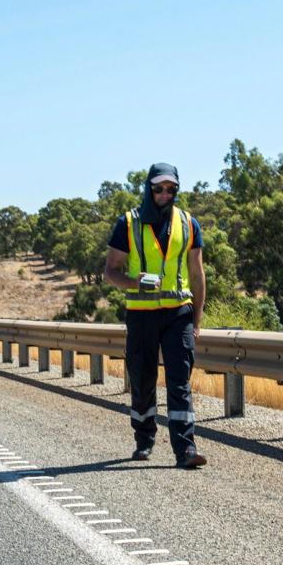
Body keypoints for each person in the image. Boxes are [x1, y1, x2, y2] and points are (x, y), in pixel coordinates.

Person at [104, 163, 208, 469]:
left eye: (171, 189)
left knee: (179, 382)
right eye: (159, 188)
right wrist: (135, 282)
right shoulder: (128, 223)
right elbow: (110, 270)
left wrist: (198, 320)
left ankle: (185, 449)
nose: (165, 194)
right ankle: (144, 439)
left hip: (179, 314)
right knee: (143, 379)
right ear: (149, 188)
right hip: (141, 314)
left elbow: (197, 274)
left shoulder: (189, 224)